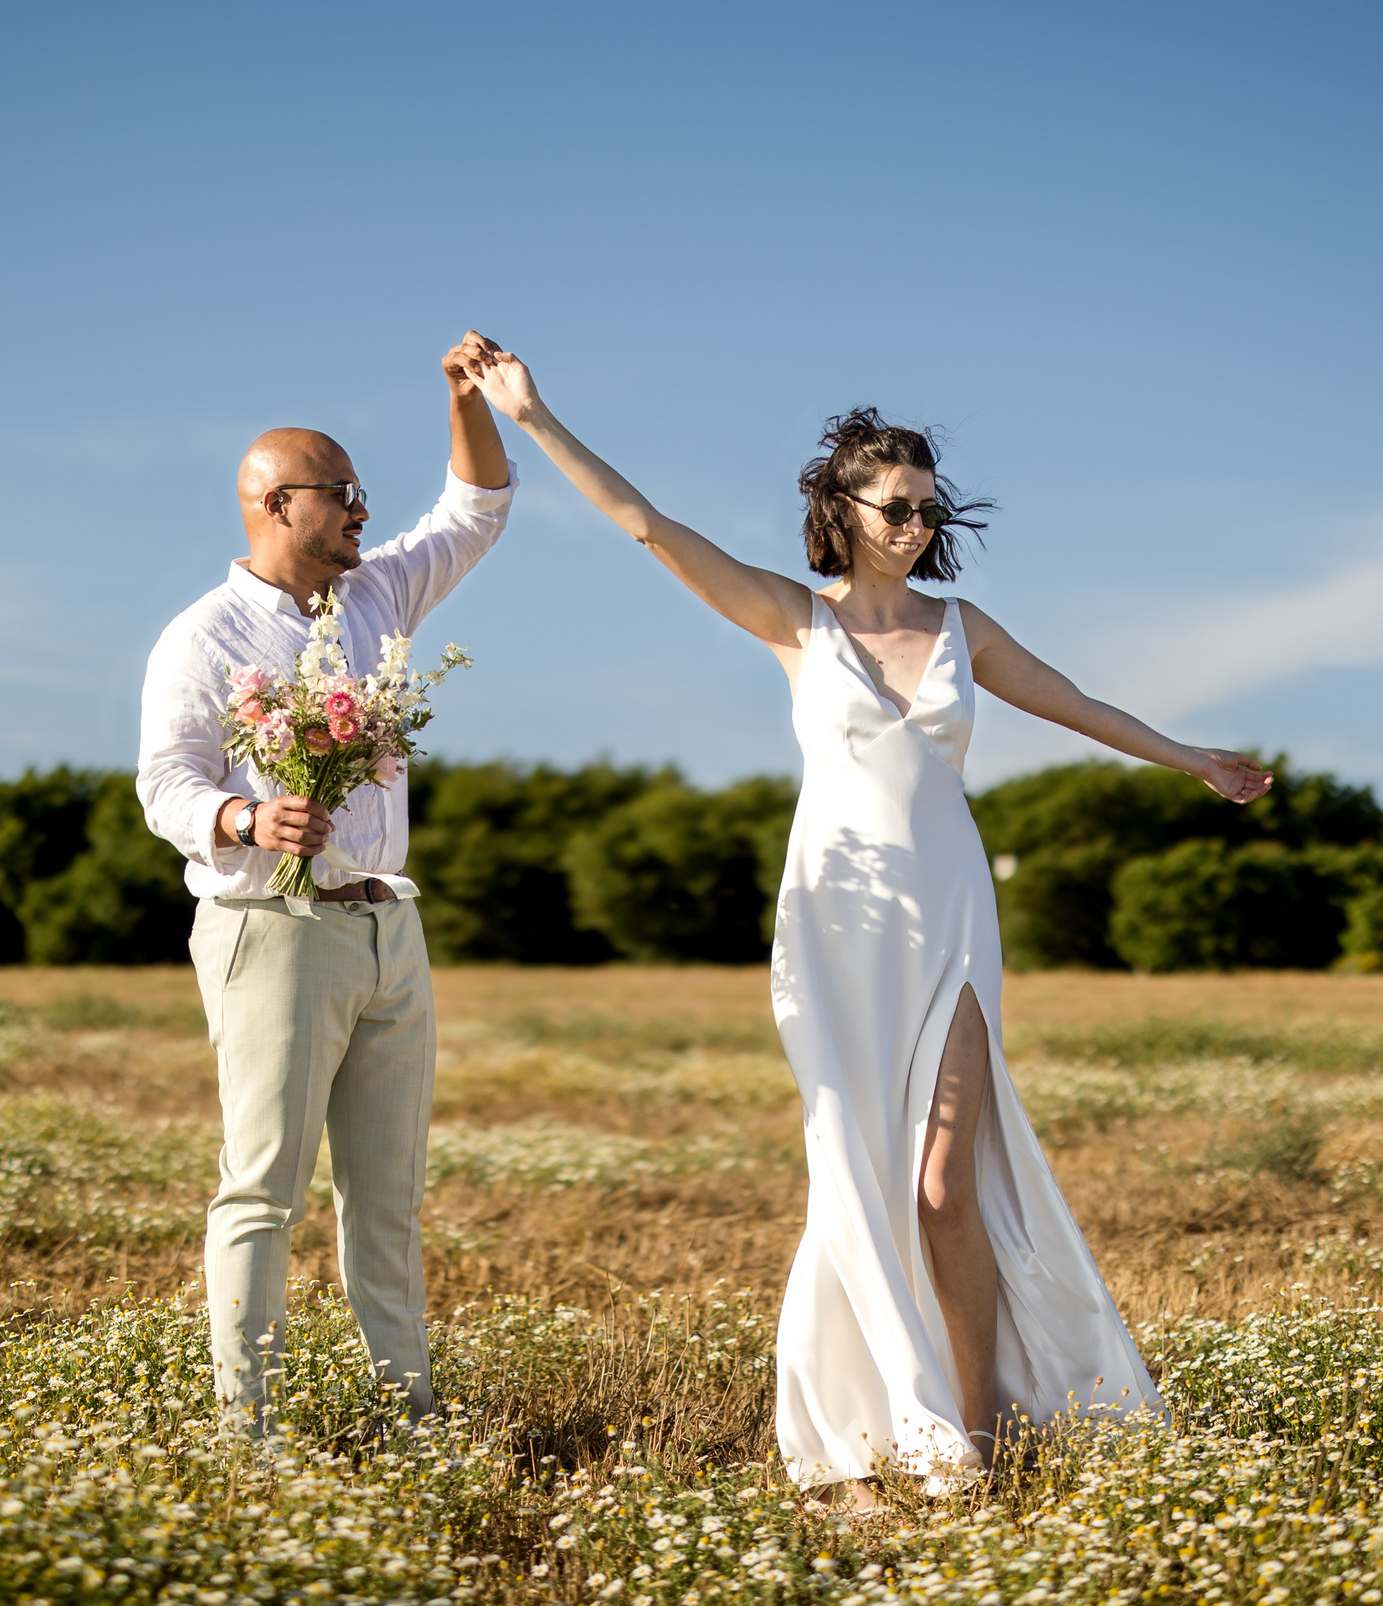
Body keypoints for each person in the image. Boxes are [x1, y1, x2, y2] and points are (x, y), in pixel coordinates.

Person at [464, 349, 1272, 1504]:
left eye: (927, 510)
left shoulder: (960, 628)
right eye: (896, 508)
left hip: (950, 917)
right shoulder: (794, 620)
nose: (915, 527)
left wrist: (1192, 760)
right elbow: (647, 526)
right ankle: (874, 1421)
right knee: (856, 1176)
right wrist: (533, 416)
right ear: (838, 511)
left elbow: (1078, 705)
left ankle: (974, 1433)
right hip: (835, 924)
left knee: (943, 1184)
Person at [136, 331, 515, 1434]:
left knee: (389, 1199)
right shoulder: (203, 635)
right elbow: (164, 781)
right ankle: (247, 1434)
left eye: (360, 493)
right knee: (263, 1188)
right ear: (276, 505)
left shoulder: (376, 595)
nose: (362, 509)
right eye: (342, 493)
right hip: (272, 924)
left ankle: (409, 1418)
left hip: (389, 925)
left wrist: (464, 398)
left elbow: (477, 510)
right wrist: (245, 816)